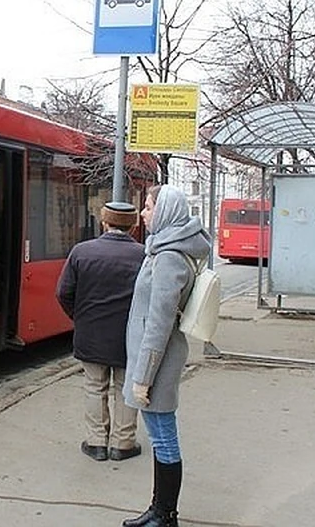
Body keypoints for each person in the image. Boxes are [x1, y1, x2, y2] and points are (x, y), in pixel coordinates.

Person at [121, 185, 212, 527]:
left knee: (164, 438)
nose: (143, 213)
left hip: (157, 364)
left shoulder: (170, 257)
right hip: (154, 360)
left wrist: (142, 378)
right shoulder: (163, 248)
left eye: (148, 206)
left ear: (166, 210)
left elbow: (158, 324)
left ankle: (165, 515)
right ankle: (158, 510)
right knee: (161, 438)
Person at [56, 201, 146, 463]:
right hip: (128, 337)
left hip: (91, 334)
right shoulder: (143, 255)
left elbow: (63, 292)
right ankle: (123, 443)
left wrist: (80, 317)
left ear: (104, 223)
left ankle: (96, 442)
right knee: (124, 388)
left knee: (94, 387)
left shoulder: (82, 252)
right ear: (132, 226)